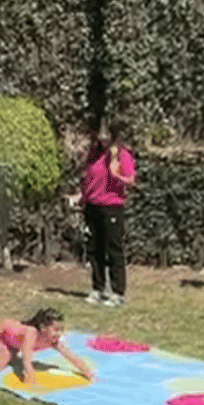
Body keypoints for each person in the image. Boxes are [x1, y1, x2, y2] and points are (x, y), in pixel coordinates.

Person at [68, 121, 137, 306]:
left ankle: (117, 293)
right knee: (94, 250)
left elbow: (131, 180)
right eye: (99, 135)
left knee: (114, 250)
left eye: (106, 135)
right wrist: (81, 196)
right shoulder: (94, 154)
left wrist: (117, 175)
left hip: (112, 207)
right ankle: (98, 289)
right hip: (92, 207)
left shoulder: (122, 154)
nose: (102, 138)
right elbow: (90, 181)